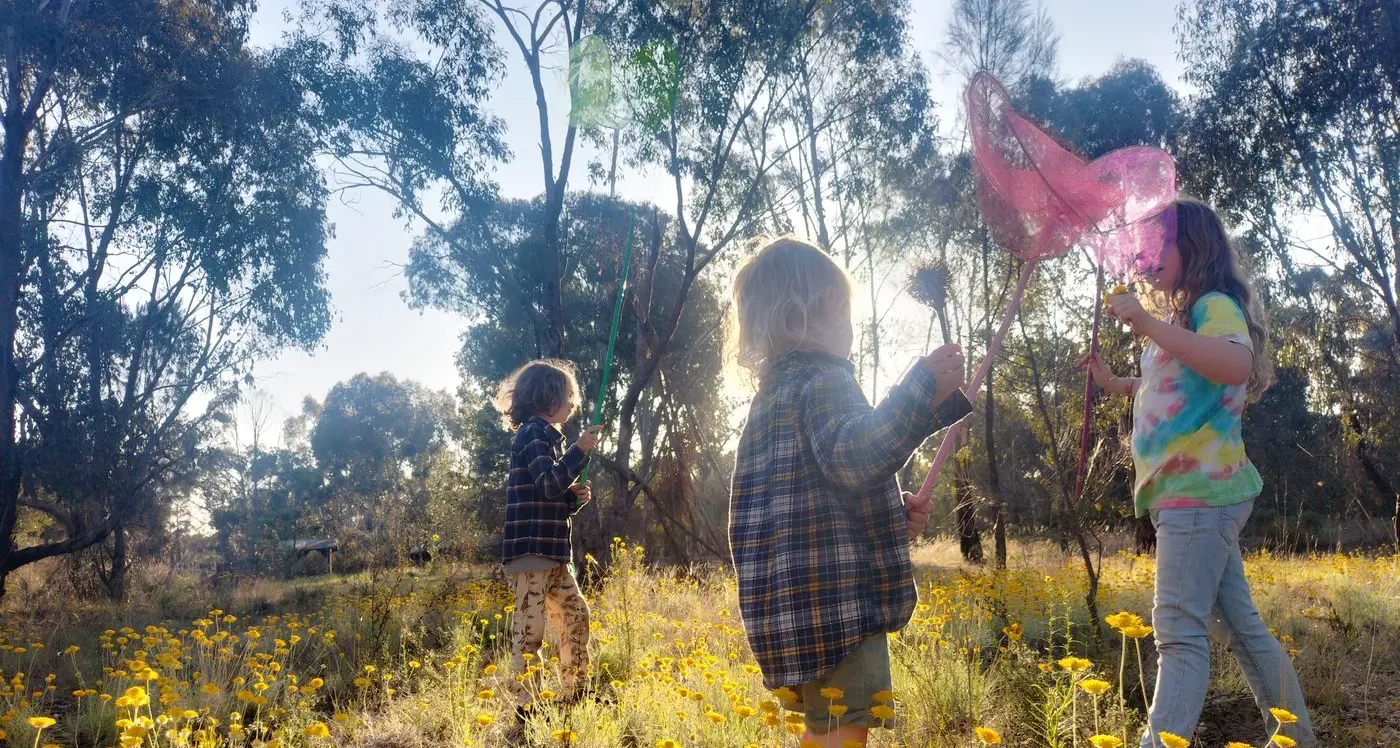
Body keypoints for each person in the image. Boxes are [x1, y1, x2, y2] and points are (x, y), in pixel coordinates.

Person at [1081, 198, 1316, 748]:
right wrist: (1114, 381)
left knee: (1179, 636)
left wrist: (1142, 322)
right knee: (1242, 627)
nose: (1145, 259)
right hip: (1198, 495)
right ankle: (1296, 740)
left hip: (1198, 496)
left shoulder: (1214, 305)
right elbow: (1169, 391)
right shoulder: (1186, 317)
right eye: (1141, 252)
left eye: (1157, 246)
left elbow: (1234, 365)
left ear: (1194, 244)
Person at [726, 236, 973, 747]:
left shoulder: (769, 402)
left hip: (793, 613)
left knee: (824, 733)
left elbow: (822, 492)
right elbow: (857, 457)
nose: (852, 331)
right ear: (802, 318)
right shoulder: (824, 381)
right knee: (844, 732)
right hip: (838, 609)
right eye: (845, 315)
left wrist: (886, 515)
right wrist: (921, 390)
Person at [494, 359, 602, 719]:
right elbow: (549, 482)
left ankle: (576, 692)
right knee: (530, 632)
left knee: (576, 617)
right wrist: (580, 450)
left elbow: (551, 494)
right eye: (568, 396)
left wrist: (573, 498)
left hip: (554, 554)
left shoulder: (547, 437)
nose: (573, 404)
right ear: (548, 397)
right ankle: (527, 707)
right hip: (532, 553)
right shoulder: (532, 433)